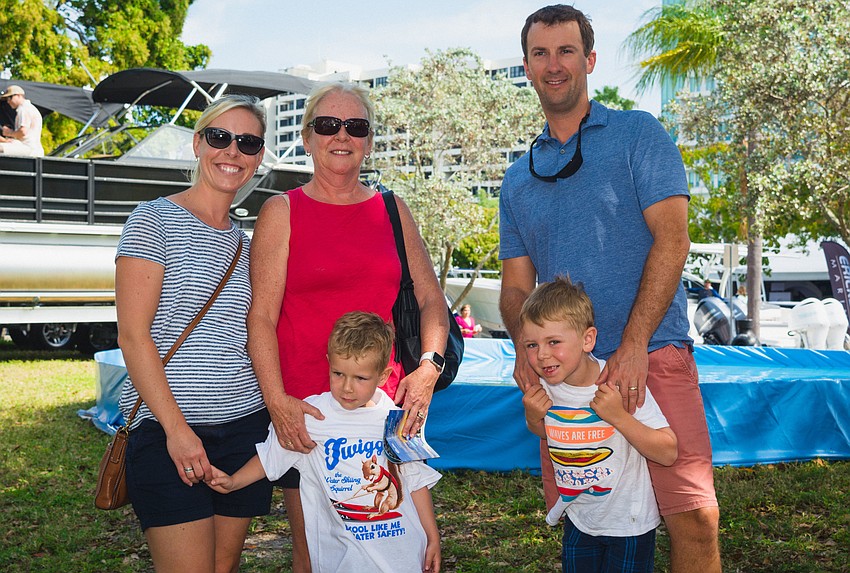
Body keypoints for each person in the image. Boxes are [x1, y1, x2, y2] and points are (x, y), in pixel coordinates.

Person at [498, 5, 721, 573]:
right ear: (526, 66)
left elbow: (673, 239)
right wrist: (527, 356)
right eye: (541, 53)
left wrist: (632, 343)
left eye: (566, 51)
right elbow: (516, 287)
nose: (554, 65)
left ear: (589, 59)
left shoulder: (637, 134)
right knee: (589, 520)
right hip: (568, 378)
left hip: (653, 354)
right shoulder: (518, 177)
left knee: (692, 517)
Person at [248, 81, 449, 571]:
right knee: (314, 552)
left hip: (383, 411)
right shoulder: (282, 212)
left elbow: (431, 300)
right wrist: (276, 402)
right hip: (307, 413)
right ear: (307, 137)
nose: (342, 135)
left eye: (355, 126)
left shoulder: (391, 209)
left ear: (369, 140)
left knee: (392, 541)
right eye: (327, 125)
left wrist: (428, 369)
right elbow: (261, 317)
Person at [115, 94, 272, 572]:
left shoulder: (252, 245)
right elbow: (133, 336)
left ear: (259, 156)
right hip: (169, 431)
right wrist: (178, 432)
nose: (232, 152)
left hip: (244, 429)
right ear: (198, 144)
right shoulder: (153, 218)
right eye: (220, 137)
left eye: (247, 142)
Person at [208, 311, 442, 572]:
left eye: (360, 378)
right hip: (342, 560)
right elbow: (270, 456)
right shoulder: (312, 416)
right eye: (338, 374)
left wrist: (432, 536)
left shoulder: (397, 421)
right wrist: (233, 482)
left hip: (404, 556)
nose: (347, 388)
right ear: (328, 362)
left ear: (383, 376)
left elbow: (415, 482)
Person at [519, 277, 677, 572]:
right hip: (579, 518)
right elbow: (553, 432)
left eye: (553, 342)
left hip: (629, 524)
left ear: (587, 339)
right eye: (532, 344)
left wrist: (618, 416)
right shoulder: (546, 387)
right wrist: (532, 418)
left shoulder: (618, 383)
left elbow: (668, 451)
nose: (541, 354)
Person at [0, 85, 44, 157]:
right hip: (29, 148)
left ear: (19, 95)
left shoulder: (24, 109)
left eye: (9, 98)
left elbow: (22, 132)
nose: (8, 101)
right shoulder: (28, 108)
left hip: (29, 149)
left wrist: (9, 133)